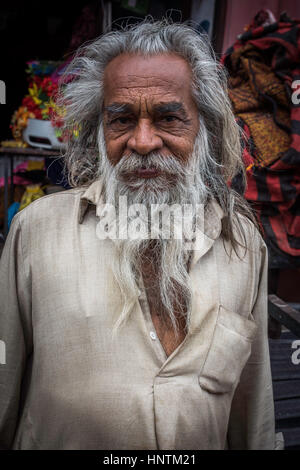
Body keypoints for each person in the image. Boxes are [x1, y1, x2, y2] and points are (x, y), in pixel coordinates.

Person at [0, 21, 284, 450]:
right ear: (99, 131)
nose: (144, 141)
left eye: (169, 117)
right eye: (122, 119)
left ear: (202, 129)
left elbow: (253, 413)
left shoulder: (241, 244)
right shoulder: (36, 231)